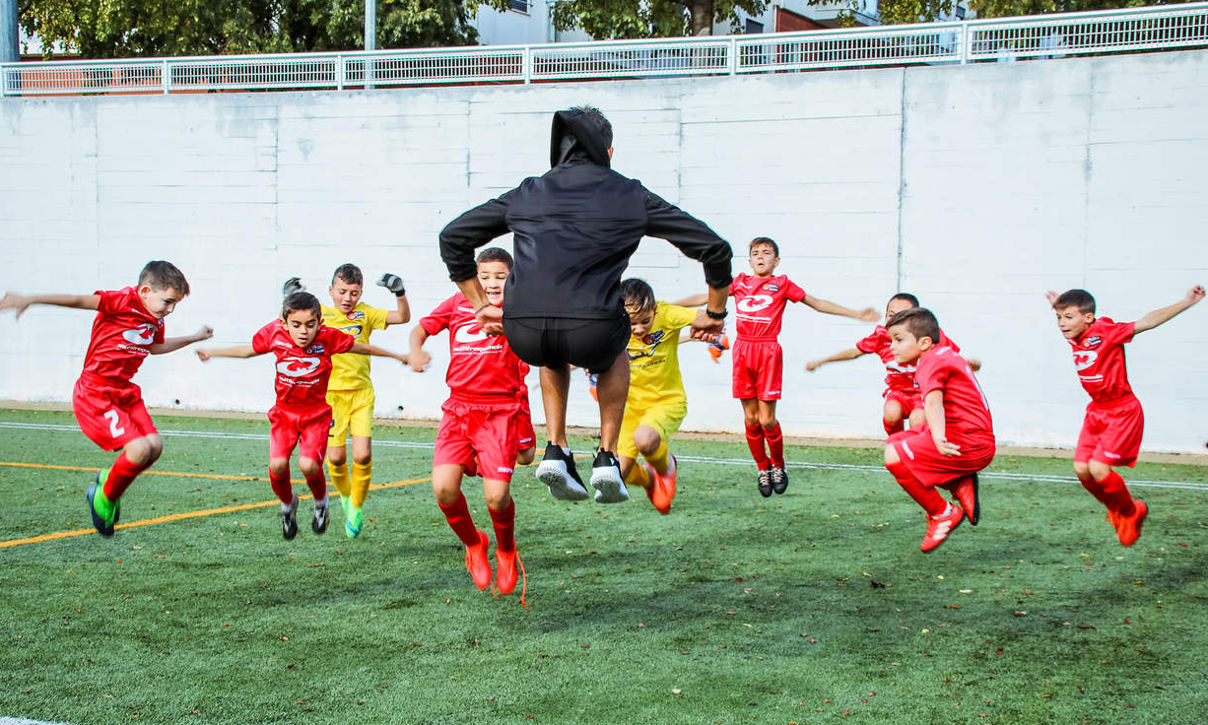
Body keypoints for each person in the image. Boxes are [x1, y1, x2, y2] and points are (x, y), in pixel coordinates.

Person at [438, 106, 731, 505]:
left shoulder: (529, 190)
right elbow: (715, 249)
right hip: (594, 329)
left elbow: (452, 236)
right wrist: (714, 313)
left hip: (524, 330)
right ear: (608, 153)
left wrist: (479, 304)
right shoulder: (630, 193)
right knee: (615, 345)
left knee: (551, 348)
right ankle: (607, 456)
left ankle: (556, 447)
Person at [0, 262, 212, 536]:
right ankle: (102, 499)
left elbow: (155, 347)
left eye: (175, 304)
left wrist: (193, 338)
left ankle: (108, 482)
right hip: (96, 392)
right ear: (145, 291)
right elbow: (79, 301)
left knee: (154, 448)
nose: (170, 310)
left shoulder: (154, 317)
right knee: (139, 450)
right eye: (168, 302)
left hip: (124, 392)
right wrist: (31, 299)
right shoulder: (121, 301)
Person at [686, 237, 878, 497]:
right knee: (751, 418)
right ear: (749, 260)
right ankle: (762, 467)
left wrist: (855, 313)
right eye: (755, 253)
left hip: (768, 350)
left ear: (776, 261)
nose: (760, 256)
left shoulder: (783, 284)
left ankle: (778, 464)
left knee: (767, 419)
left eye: (766, 253)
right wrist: (668, 305)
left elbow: (817, 303)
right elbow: (706, 297)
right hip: (743, 349)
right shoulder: (739, 282)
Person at [409, 248, 535, 597]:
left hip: (501, 411)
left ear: (514, 278)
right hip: (458, 409)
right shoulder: (457, 303)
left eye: (500, 277)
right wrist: (416, 350)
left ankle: (506, 550)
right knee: (443, 489)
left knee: (497, 497)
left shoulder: (522, 308)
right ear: (473, 279)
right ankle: (474, 543)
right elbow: (420, 329)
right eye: (485, 276)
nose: (492, 283)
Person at [197, 292, 372, 540]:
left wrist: (401, 356)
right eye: (296, 325)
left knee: (308, 465)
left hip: (315, 415)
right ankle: (288, 505)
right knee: (277, 465)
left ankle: (321, 502)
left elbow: (361, 347)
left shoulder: (327, 337)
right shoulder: (275, 333)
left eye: (310, 325)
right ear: (284, 322)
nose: (303, 331)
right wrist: (214, 352)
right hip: (284, 415)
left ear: (319, 323)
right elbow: (248, 351)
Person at [1047, 285, 1204, 546]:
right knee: (1081, 469)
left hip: (1121, 411)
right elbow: (1069, 315)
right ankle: (1117, 509)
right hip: (1096, 410)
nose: (1062, 324)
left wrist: (1187, 302)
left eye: (1068, 317)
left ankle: (1132, 512)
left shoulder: (1106, 332)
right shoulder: (1075, 334)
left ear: (1088, 318)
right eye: (1058, 318)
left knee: (1098, 468)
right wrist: (1059, 304)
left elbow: (1147, 322)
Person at [282, 265, 410, 539]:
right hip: (329, 397)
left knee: (362, 455)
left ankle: (356, 506)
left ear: (360, 292)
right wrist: (288, 299)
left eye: (353, 292)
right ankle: (344, 495)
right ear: (330, 291)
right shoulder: (319, 316)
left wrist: (399, 292)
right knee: (336, 457)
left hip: (361, 394)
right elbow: (288, 325)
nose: (347, 298)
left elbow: (402, 317)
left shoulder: (366, 313)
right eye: (341, 291)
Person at [882, 308, 994, 553]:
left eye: (899, 340)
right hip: (973, 438)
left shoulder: (929, 361)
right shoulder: (944, 353)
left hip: (967, 444)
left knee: (893, 454)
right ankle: (959, 482)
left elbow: (933, 401)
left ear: (924, 342)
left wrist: (939, 437)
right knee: (897, 441)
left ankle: (942, 513)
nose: (892, 347)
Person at [806, 293, 981, 436]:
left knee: (918, 419)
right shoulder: (881, 336)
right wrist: (822, 361)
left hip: (923, 392)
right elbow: (854, 352)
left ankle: (918, 450)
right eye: (891, 315)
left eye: (902, 316)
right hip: (898, 391)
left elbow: (952, 357)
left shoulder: (930, 336)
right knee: (891, 413)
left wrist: (970, 365)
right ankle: (897, 445)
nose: (895, 320)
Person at [614, 279, 716, 514]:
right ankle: (650, 480)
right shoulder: (613, 322)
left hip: (666, 401)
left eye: (645, 321)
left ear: (654, 310)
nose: (639, 329)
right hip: (629, 408)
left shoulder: (667, 314)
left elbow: (707, 317)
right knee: (621, 472)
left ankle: (667, 466)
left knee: (645, 439)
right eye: (633, 324)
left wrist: (708, 329)